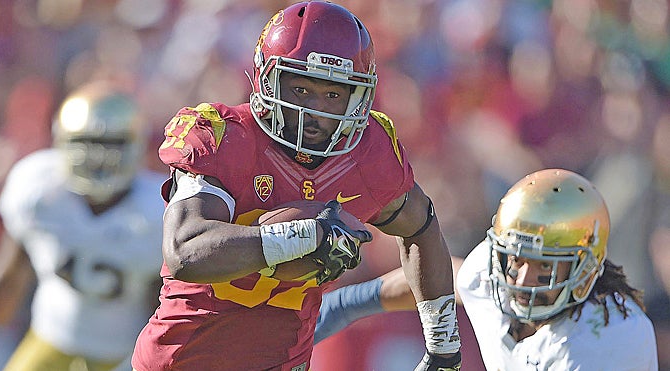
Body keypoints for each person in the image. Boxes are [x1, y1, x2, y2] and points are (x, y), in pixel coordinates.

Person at [131, 2, 462, 370]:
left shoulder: (367, 156)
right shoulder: (225, 138)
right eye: (301, 90)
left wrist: (442, 345)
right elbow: (185, 250)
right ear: (267, 80)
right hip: (183, 360)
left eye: (333, 95)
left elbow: (422, 227)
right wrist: (302, 237)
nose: (315, 111)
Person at [315, 168, 659, 370]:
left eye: (545, 267)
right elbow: (443, 279)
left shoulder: (610, 339)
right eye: (518, 260)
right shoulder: (497, 272)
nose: (523, 279)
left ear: (584, 269)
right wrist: (346, 305)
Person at [0, 81, 166, 371]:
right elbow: (9, 279)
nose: (99, 157)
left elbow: (166, 312)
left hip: (124, 353)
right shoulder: (38, 188)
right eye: (86, 144)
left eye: (111, 144)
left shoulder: (159, 213)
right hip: (50, 337)